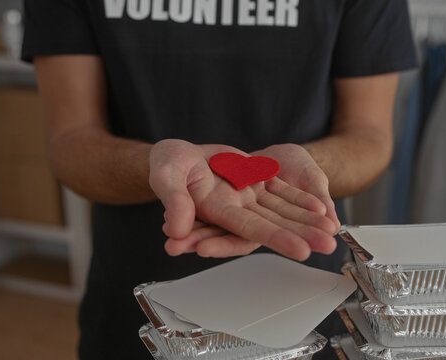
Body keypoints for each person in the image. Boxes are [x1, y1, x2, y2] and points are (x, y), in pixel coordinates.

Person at [22, 0, 417, 358]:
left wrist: (310, 164)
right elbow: (71, 141)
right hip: (140, 305)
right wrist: (154, 165)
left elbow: (371, 136)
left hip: (306, 303)